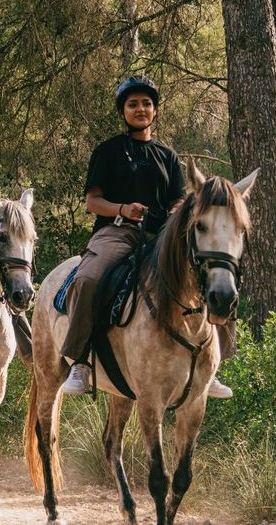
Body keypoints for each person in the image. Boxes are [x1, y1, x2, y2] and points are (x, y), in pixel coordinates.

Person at [61, 75, 233, 399]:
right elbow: (92, 201)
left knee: (216, 270)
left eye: (146, 104)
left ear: (154, 110)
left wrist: (177, 212)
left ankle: (214, 365)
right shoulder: (108, 151)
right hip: (116, 232)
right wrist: (123, 209)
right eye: (133, 104)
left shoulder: (167, 155)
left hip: (161, 237)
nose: (141, 109)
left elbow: (177, 200)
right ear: (123, 111)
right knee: (87, 280)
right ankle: (80, 363)